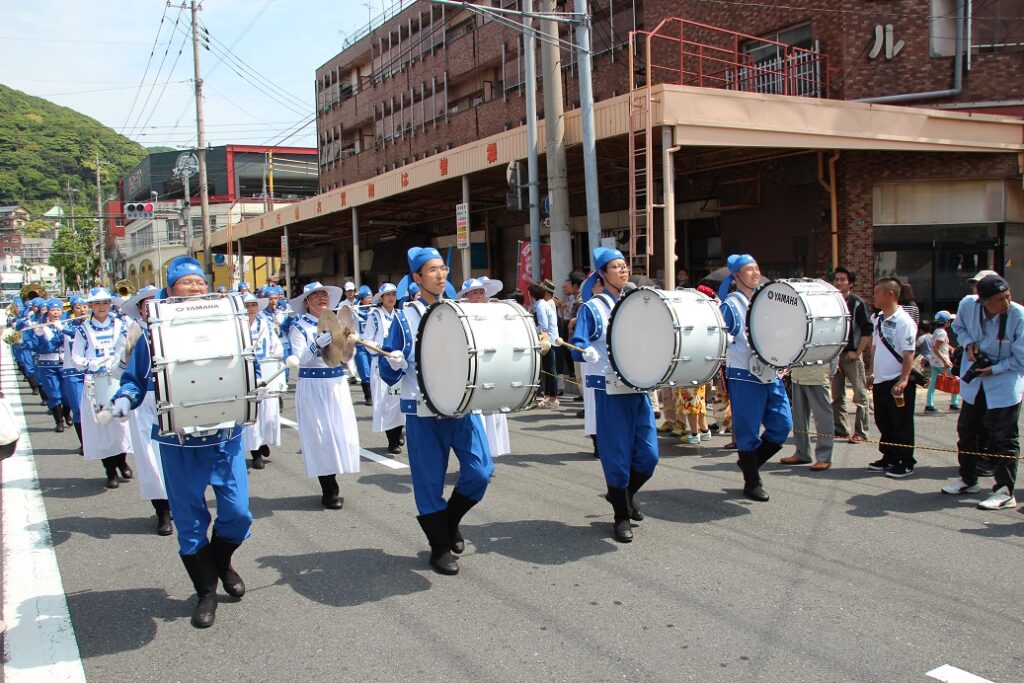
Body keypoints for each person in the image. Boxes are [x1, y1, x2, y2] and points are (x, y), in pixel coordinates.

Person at [112, 257, 251, 629]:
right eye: (186, 283)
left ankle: (221, 562)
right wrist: (125, 397)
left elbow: (247, 364)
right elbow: (135, 379)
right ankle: (206, 592)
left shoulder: (228, 324)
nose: (195, 287)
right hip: (179, 441)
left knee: (238, 514)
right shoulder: (153, 333)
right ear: (169, 291)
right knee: (189, 521)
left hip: (226, 436)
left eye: (199, 282)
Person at [380, 247, 494, 575]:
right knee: (429, 483)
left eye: (443, 268)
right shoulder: (405, 317)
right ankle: (439, 547)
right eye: (432, 270)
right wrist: (393, 362)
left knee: (480, 471)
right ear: (416, 278)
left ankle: (450, 519)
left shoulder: (459, 310)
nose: (440, 274)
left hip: (461, 406)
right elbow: (387, 369)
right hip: (423, 411)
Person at [570, 247, 659, 542]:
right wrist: (587, 352)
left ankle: (623, 495)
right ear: (602, 274)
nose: (623, 270)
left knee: (648, 457)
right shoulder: (593, 308)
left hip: (638, 387)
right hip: (609, 390)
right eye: (616, 267)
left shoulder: (635, 303)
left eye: (625, 266)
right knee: (617, 456)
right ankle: (621, 516)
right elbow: (579, 341)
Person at [941, 274, 1024, 509]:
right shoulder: (968, 305)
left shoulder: (1019, 315)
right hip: (975, 381)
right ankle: (968, 479)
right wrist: (969, 344)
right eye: (999, 299)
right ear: (983, 301)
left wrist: (995, 368)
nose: (1006, 303)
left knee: (1004, 438)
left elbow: (1022, 358)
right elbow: (958, 327)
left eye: (1008, 296)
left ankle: (1005, 491)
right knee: (967, 431)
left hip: (1004, 382)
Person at [718, 254, 792, 501]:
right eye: (749, 270)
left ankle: (750, 464)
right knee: (747, 431)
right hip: (744, 374)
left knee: (782, 424)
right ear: (736, 276)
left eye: (757, 268)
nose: (755, 273)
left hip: (770, 372)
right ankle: (752, 481)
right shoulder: (730, 305)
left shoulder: (765, 300)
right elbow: (719, 339)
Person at [288, 282, 361, 509]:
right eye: (315, 295)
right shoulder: (299, 326)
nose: (322, 298)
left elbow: (346, 356)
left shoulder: (338, 323)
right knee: (320, 436)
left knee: (340, 433)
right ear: (307, 302)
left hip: (336, 383)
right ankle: (329, 489)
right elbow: (299, 360)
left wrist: (349, 341)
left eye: (324, 294)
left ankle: (335, 475)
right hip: (312, 384)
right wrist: (314, 346)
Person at [114, 285, 173, 536]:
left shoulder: (175, 329)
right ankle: (162, 511)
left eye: (154, 301)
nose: (150, 307)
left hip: (175, 396)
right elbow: (121, 370)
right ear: (139, 310)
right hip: (146, 399)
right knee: (150, 459)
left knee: (178, 456)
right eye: (144, 304)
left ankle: (181, 506)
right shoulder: (134, 333)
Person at [71, 287, 132, 490]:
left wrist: (120, 362)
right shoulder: (83, 329)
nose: (101, 307)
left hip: (117, 379)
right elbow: (76, 357)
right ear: (91, 306)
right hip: (95, 383)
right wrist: (92, 363)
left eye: (105, 303)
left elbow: (129, 347)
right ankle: (110, 470)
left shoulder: (121, 324)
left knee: (122, 424)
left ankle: (122, 460)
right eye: (97, 303)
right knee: (103, 426)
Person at [867, 277, 918, 478]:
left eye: (877, 292)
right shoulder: (878, 318)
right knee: (883, 421)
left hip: (897, 380)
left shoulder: (904, 321)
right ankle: (889, 456)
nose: (874, 296)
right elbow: (875, 347)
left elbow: (908, 353)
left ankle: (906, 461)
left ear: (890, 294)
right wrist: (872, 371)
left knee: (901, 423)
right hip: (881, 380)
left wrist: (904, 379)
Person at [459, 277, 511, 458]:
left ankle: (490, 454)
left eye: (482, 292)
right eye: (475, 292)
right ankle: (476, 455)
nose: (480, 295)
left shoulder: (494, 313)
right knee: (474, 413)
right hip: (472, 370)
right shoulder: (460, 314)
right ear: (466, 296)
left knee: (493, 412)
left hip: (493, 367)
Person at [830, 266, 873, 444]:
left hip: (851, 355)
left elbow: (867, 330)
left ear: (851, 283)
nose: (839, 283)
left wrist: (857, 352)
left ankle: (861, 432)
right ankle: (840, 429)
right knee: (837, 395)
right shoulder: (831, 301)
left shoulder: (857, 303)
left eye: (843, 280)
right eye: (836, 279)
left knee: (860, 395)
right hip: (835, 355)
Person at [242, 293, 283, 470]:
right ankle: (255, 452)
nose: (250, 309)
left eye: (253, 305)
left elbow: (276, 346)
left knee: (268, 413)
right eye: (247, 306)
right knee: (252, 413)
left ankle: (263, 441)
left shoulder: (264, 323)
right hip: (246, 371)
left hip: (265, 371)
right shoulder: (236, 326)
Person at [366, 283, 404, 454]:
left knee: (399, 400)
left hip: (398, 363)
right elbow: (366, 340)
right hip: (381, 364)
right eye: (387, 294)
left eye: (393, 294)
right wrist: (383, 348)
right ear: (381, 298)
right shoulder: (374, 316)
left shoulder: (401, 315)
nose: (391, 297)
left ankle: (398, 431)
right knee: (386, 402)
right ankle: (392, 439)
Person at [781, 362, 835, 470]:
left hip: (817, 376)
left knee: (822, 417)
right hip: (797, 375)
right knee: (799, 417)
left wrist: (832, 371)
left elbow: (835, 348)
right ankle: (801, 453)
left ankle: (824, 457)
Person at [29, 298, 68, 432]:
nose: (56, 313)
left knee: (68, 394)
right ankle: (59, 421)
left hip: (66, 364)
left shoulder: (66, 324)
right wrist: (42, 336)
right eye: (52, 310)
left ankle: (67, 413)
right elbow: (34, 344)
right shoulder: (38, 327)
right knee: (54, 393)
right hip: (47, 364)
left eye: (58, 310)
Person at [60, 296, 88, 452]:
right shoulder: (65, 325)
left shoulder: (91, 325)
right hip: (72, 372)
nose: (82, 310)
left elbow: (75, 333)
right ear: (72, 309)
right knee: (78, 408)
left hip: (91, 371)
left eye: (85, 306)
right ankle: (84, 443)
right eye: (78, 307)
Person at [529, 281, 560, 408]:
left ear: (531, 294)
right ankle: (549, 397)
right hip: (547, 339)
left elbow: (543, 326)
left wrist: (530, 330)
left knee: (550, 369)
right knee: (548, 369)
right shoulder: (540, 304)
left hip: (548, 340)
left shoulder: (541, 306)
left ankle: (552, 398)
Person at [925, 311, 960, 412]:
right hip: (942, 362)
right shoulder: (942, 332)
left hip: (934, 362)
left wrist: (950, 348)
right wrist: (945, 361)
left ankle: (929, 405)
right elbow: (937, 349)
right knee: (956, 379)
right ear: (947, 322)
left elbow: (940, 344)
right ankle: (954, 404)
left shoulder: (936, 331)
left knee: (932, 384)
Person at [351, 284, 374, 406]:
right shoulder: (355, 311)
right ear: (362, 299)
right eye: (367, 298)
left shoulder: (374, 310)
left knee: (374, 370)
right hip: (360, 345)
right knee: (364, 370)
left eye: (371, 297)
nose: (369, 300)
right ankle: (368, 396)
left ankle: (375, 394)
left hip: (372, 345)